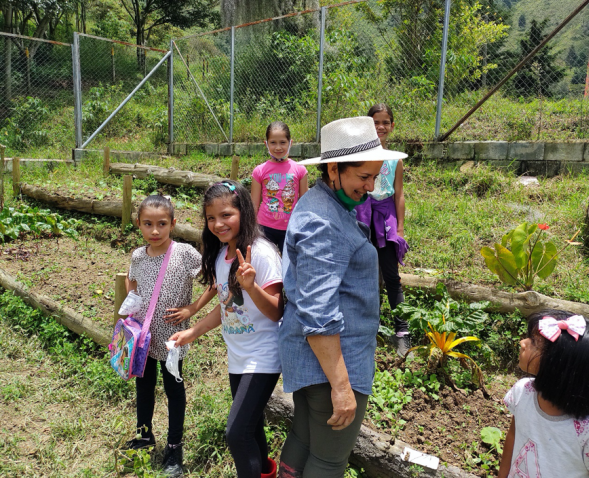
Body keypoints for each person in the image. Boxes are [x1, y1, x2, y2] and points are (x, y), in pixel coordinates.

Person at [278, 117, 408, 478]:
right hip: (333, 361)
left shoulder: (326, 205)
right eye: (363, 177)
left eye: (375, 177)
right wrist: (341, 387)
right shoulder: (323, 221)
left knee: (304, 440)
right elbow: (318, 312)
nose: (370, 187)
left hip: (310, 360)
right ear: (333, 169)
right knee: (330, 460)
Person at [170, 180, 283, 478]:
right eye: (211, 218)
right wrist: (192, 332)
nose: (218, 224)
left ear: (243, 211)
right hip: (238, 358)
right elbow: (226, 308)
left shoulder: (262, 253)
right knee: (252, 429)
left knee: (236, 433)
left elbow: (276, 311)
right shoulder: (223, 256)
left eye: (226, 215)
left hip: (263, 356)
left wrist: (252, 286)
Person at [124, 195, 202, 477]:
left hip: (173, 338)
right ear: (138, 224)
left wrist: (191, 308)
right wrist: (131, 314)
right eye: (148, 224)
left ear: (173, 224)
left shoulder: (185, 253)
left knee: (173, 390)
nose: (155, 231)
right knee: (144, 388)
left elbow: (213, 283)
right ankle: (145, 436)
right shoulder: (137, 256)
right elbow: (131, 282)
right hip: (144, 338)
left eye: (162, 224)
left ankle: (174, 446)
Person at [498, 309, 589, 478]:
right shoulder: (522, 392)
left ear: (560, 366)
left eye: (534, 342)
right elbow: (513, 435)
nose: (523, 343)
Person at [354, 103, 410, 357]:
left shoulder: (395, 159)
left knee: (391, 277)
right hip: (363, 216)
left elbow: (399, 194)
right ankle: (369, 329)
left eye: (385, 122)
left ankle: (402, 332)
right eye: (375, 122)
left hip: (385, 220)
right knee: (365, 275)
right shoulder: (359, 156)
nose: (380, 127)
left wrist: (398, 229)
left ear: (392, 126)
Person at [251, 121, 308, 253]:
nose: (278, 147)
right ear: (266, 144)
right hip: (264, 227)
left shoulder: (300, 170)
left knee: (288, 267)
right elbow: (254, 204)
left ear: (290, 143)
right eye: (273, 142)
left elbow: (304, 203)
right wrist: (251, 228)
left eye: (282, 142)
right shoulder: (259, 171)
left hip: (290, 227)